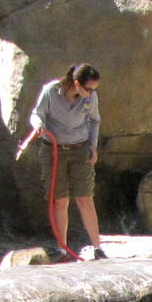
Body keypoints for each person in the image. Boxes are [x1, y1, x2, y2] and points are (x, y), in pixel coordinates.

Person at [18, 63, 106, 260]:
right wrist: (38, 124)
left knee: (85, 197)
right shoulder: (51, 91)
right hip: (54, 150)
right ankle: (62, 249)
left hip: (80, 148)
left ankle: (98, 248)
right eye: (89, 89)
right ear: (77, 83)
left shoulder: (90, 97)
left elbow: (94, 120)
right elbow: (37, 114)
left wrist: (93, 146)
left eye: (94, 89)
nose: (92, 93)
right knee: (60, 199)